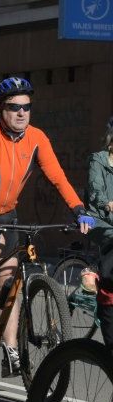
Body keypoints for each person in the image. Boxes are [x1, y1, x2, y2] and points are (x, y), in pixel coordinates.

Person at [0, 76, 93, 376]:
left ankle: (12, 350)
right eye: (14, 107)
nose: (21, 113)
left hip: (7, 214)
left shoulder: (37, 138)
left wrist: (78, 209)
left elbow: (57, 177)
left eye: (27, 107)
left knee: (9, 280)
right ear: (0, 108)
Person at [86, 118, 113, 345]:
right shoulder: (98, 160)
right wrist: (107, 203)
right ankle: (96, 273)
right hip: (98, 219)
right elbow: (96, 190)